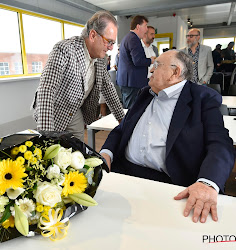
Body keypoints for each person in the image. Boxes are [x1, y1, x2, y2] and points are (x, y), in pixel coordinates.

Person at [101, 50, 235, 223]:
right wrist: (106, 153)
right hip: (122, 173)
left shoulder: (202, 98)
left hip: (169, 184)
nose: (150, 70)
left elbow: (221, 144)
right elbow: (121, 129)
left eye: (156, 65)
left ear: (175, 72)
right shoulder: (145, 94)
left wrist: (207, 182)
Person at [32, 11, 125, 141]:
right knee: (54, 152)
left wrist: (123, 121)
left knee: (77, 149)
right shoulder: (64, 49)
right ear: (93, 35)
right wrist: (47, 135)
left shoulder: (100, 58)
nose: (110, 48)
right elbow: (46, 90)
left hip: (74, 109)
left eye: (112, 43)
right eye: (108, 42)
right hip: (53, 110)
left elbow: (108, 88)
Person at [117, 15, 156, 109]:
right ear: (138, 26)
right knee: (131, 110)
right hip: (131, 83)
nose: (146, 29)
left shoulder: (129, 37)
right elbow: (138, 61)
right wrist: (151, 60)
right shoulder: (133, 39)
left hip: (130, 81)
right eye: (145, 26)